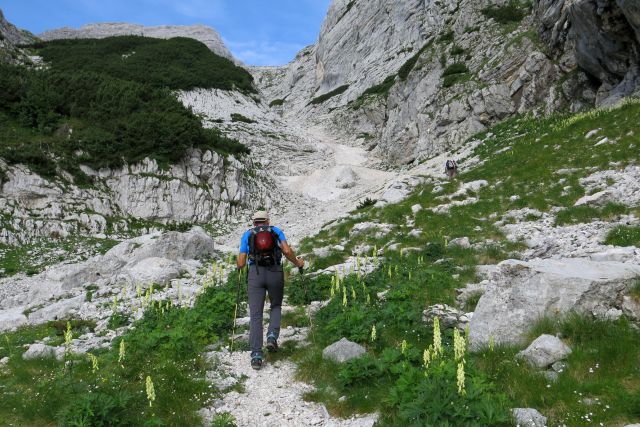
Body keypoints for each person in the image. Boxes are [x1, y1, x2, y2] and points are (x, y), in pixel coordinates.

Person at [237, 210, 304, 370]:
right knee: (275, 305)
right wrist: (298, 263)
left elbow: (241, 262)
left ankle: (256, 356)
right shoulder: (276, 231)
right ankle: (272, 336)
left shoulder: (247, 234)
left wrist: (239, 265)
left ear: (254, 223)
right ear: (267, 221)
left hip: (255, 275)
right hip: (275, 272)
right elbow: (287, 251)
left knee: (256, 315)